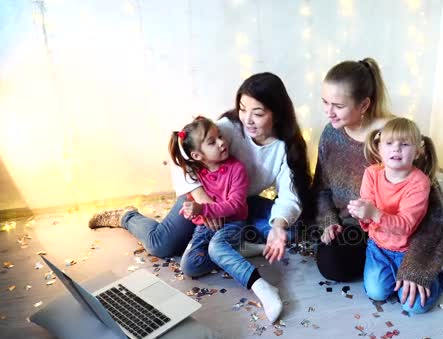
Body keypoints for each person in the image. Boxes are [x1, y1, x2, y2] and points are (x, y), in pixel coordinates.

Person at [88, 72, 313, 322]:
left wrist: (279, 226)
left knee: (289, 231)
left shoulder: (286, 148)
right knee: (161, 245)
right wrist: (203, 200)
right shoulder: (228, 129)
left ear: (277, 114)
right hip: (203, 195)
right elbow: (183, 157)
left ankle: (234, 246)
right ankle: (126, 216)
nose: (247, 119)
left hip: (238, 202)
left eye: (258, 113)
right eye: (242, 108)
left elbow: (289, 195)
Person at [169, 116, 282, 322]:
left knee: (215, 247)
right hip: (206, 226)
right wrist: (190, 209)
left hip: (233, 223)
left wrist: (204, 209)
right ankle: (237, 251)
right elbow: (191, 201)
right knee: (190, 266)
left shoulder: (236, 169)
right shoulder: (196, 173)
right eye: (212, 142)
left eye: (219, 136)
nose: (222, 142)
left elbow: (236, 205)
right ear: (197, 155)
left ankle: (261, 286)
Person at [347, 117, 443, 314]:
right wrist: (360, 212)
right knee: (376, 293)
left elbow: (405, 226)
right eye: (389, 143)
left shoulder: (419, 183)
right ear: (379, 148)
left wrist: (374, 213)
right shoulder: (371, 174)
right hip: (379, 248)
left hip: (408, 252)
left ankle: (435, 277)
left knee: (415, 306)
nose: (396, 149)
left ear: (417, 151)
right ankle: (393, 278)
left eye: (404, 144)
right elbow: (368, 216)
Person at [312, 57, 394, 281]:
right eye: (325, 102)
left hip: (385, 226)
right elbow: (322, 189)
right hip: (347, 225)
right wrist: (329, 223)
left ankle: (385, 258)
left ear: (364, 105)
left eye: (338, 106)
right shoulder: (330, 134)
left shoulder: (389, 139)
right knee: (331, 263)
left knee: (339, 264)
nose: (329, 112)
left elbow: (421, 195)